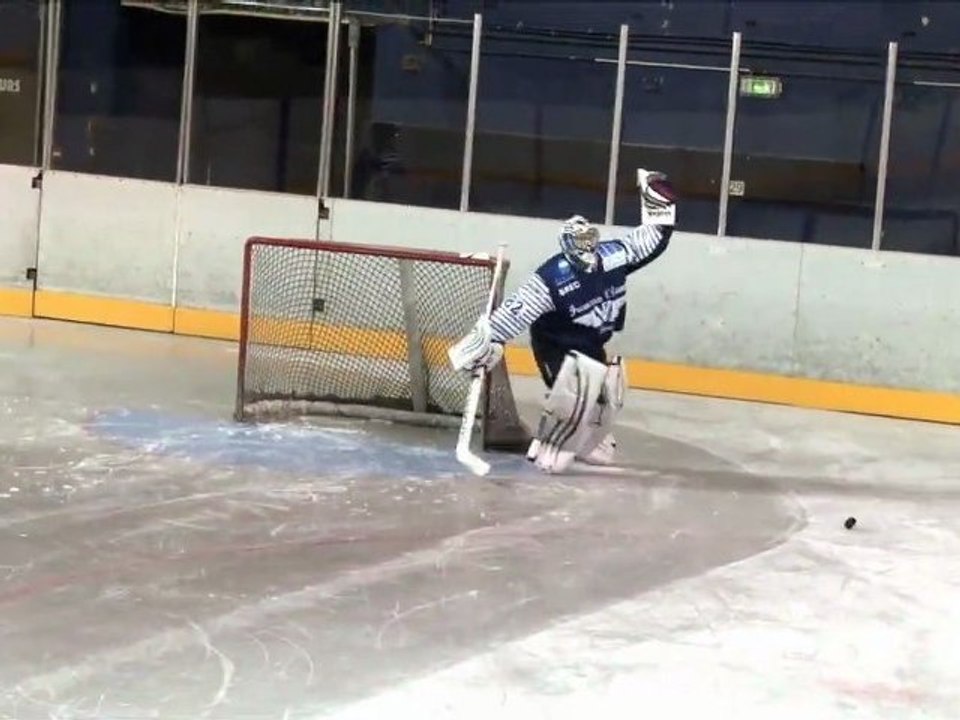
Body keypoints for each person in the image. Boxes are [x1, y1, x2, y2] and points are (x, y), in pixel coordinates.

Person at [450, 169, 676, 473]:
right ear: (567, 247)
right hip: (557, 345)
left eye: (589, 240)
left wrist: (657, 198)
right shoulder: (552, 278)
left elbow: (652, 238)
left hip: (592, 340)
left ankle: (585, 437)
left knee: (607, 396)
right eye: (578, 243)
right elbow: (516, 311)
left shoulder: (613, 257)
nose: (586, 249)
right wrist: (486, 341)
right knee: (573, 396)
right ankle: (549, 444)